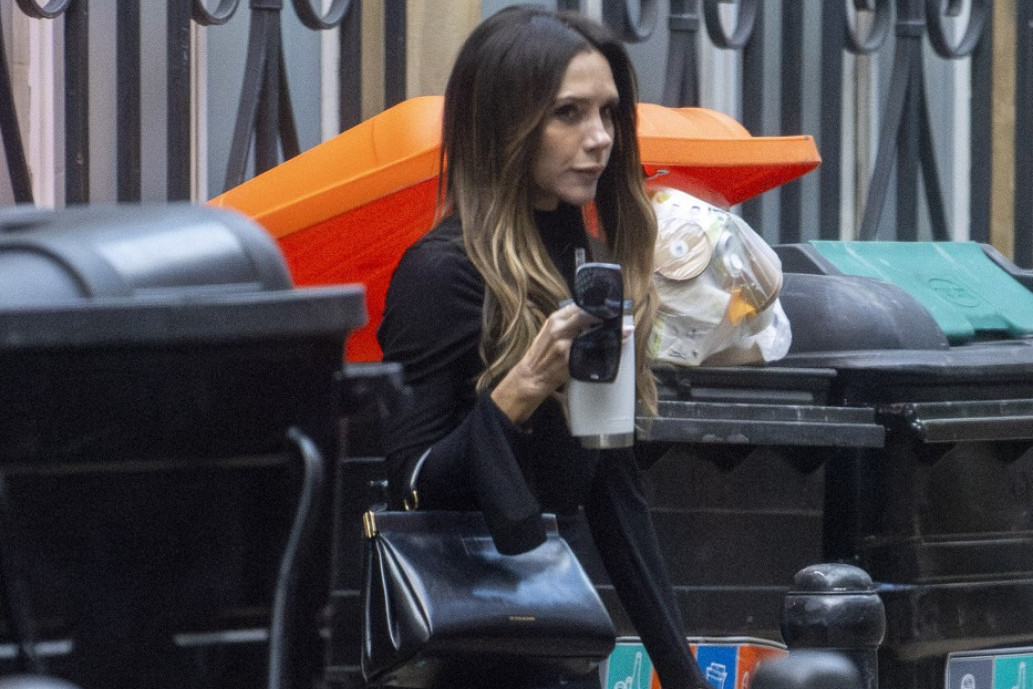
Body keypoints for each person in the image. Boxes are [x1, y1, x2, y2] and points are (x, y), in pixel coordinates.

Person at [377, 6, 709, 689]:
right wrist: (519, 390)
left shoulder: (590, 270)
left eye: (608, 113)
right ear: (505, 126)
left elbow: (614, 489)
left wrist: (683, 674)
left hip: (556, 632)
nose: (600, 137)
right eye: (568, 113)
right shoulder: (441, 274)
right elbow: (413, 486)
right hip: (461, 645)